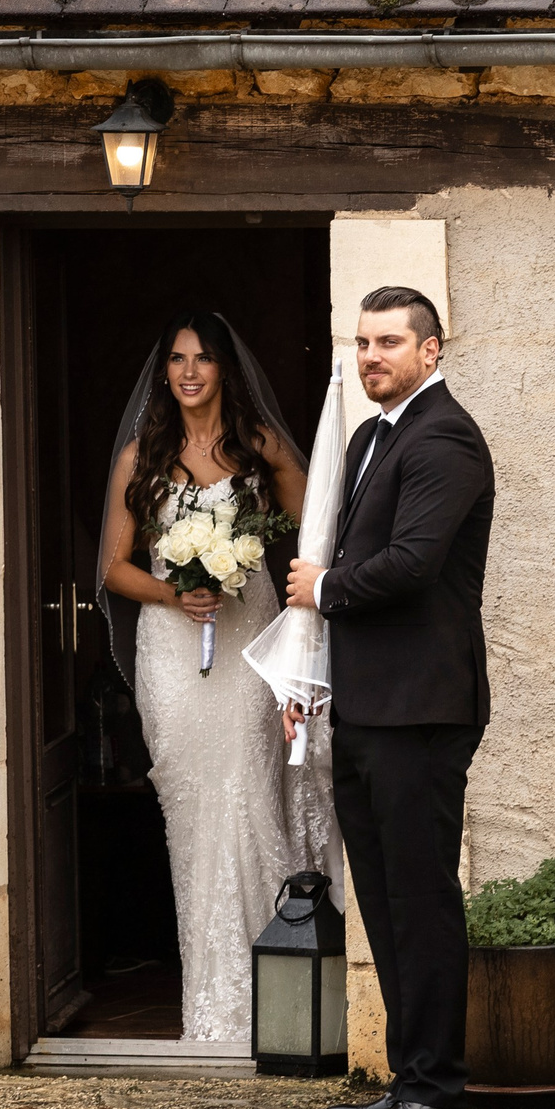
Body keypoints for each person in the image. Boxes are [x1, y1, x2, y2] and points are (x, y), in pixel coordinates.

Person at [285, 286, 494, 1109]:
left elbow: (410, 565)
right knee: (383, 898)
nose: (371, 356)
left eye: (390, 343)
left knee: (421, 898)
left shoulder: (444, 436)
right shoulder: (374, 436)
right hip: (368, 705)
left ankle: (439, 1088)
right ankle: (409, 1078)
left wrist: (324, 588)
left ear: (431, 351)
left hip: (422, 709)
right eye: (362, 342)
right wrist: (313, 682)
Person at [98, 313, 338, 1045]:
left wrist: (301, 600)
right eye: (176, 358)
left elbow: (323, 531)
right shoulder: (141, 456)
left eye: (202, 358)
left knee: (251, 795)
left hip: (249, 645)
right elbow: (113, 566)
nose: (189, 370)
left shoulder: (260, 447)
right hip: (173, 652)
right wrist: (175, 590)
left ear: (225, 368)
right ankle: (213, 1002)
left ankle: (282, 1002)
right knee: (194, 812)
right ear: (164, 371)